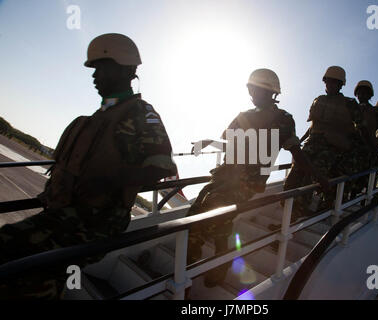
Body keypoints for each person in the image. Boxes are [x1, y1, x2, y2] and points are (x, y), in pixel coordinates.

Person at [0, 33, 177, 299]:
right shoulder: (102, 115)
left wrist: (108, 181)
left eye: (100, 69)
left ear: (123, 69)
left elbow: (162, 167)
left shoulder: (141, 112)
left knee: (24, 261)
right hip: (65, 215)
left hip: (95, 224)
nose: (94, 77)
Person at [186, 68, 328, 288]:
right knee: (193, 215)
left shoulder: (282, 119)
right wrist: (208, 143)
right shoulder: (243, 116)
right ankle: (188, 269)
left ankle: (216, 262)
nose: (252, 92)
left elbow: (297, 152)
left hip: (249, 181)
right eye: (251, 88)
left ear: (271, 92)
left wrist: (320, 179)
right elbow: (228, 142)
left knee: (215, 209)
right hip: (225, 176)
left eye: (256, 88)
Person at [284, 66, 369, 216]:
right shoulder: (319, 100)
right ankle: (289, 212)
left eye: (334, 82)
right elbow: (313, 126)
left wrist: (364, 151)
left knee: (311, 178)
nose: (329, 85)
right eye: (328, 82)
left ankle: (296, 214)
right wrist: (300, 140)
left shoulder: (349, 103)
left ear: (341, 84)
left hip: (331, 148)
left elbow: (361, 130)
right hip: (311, 144)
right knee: (293, 177)